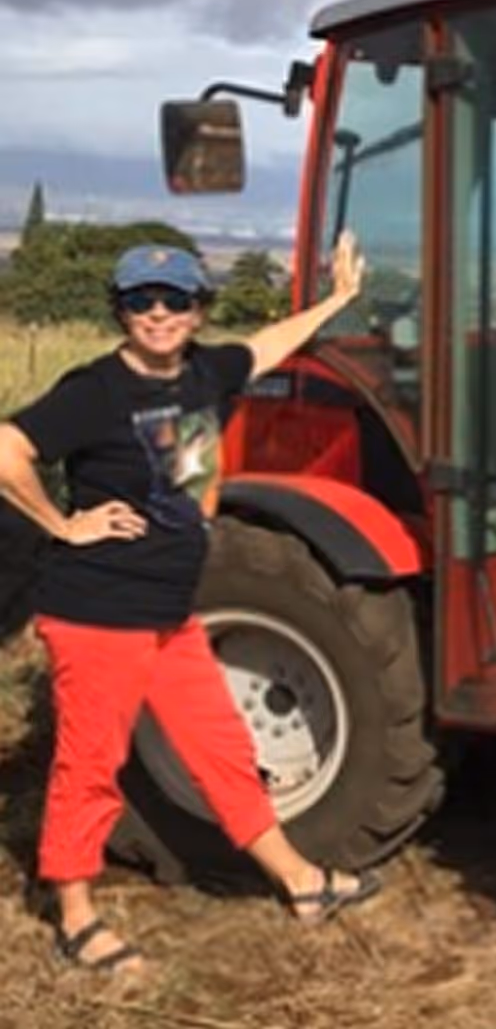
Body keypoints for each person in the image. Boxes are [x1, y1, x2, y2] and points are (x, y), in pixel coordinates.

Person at [0, 232, 380, 975]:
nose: (160, 313)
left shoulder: (207, 372)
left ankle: (300, 882)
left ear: (198, 310)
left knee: (221, 748)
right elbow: (7, 447)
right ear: (121, 310)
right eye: (143, 300)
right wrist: (62, 524)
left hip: (171, 615)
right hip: (99, 616)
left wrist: (337, 301)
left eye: (176, 299)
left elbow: (268, 345)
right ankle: (75, 915)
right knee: (90, 764)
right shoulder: (95, 391)